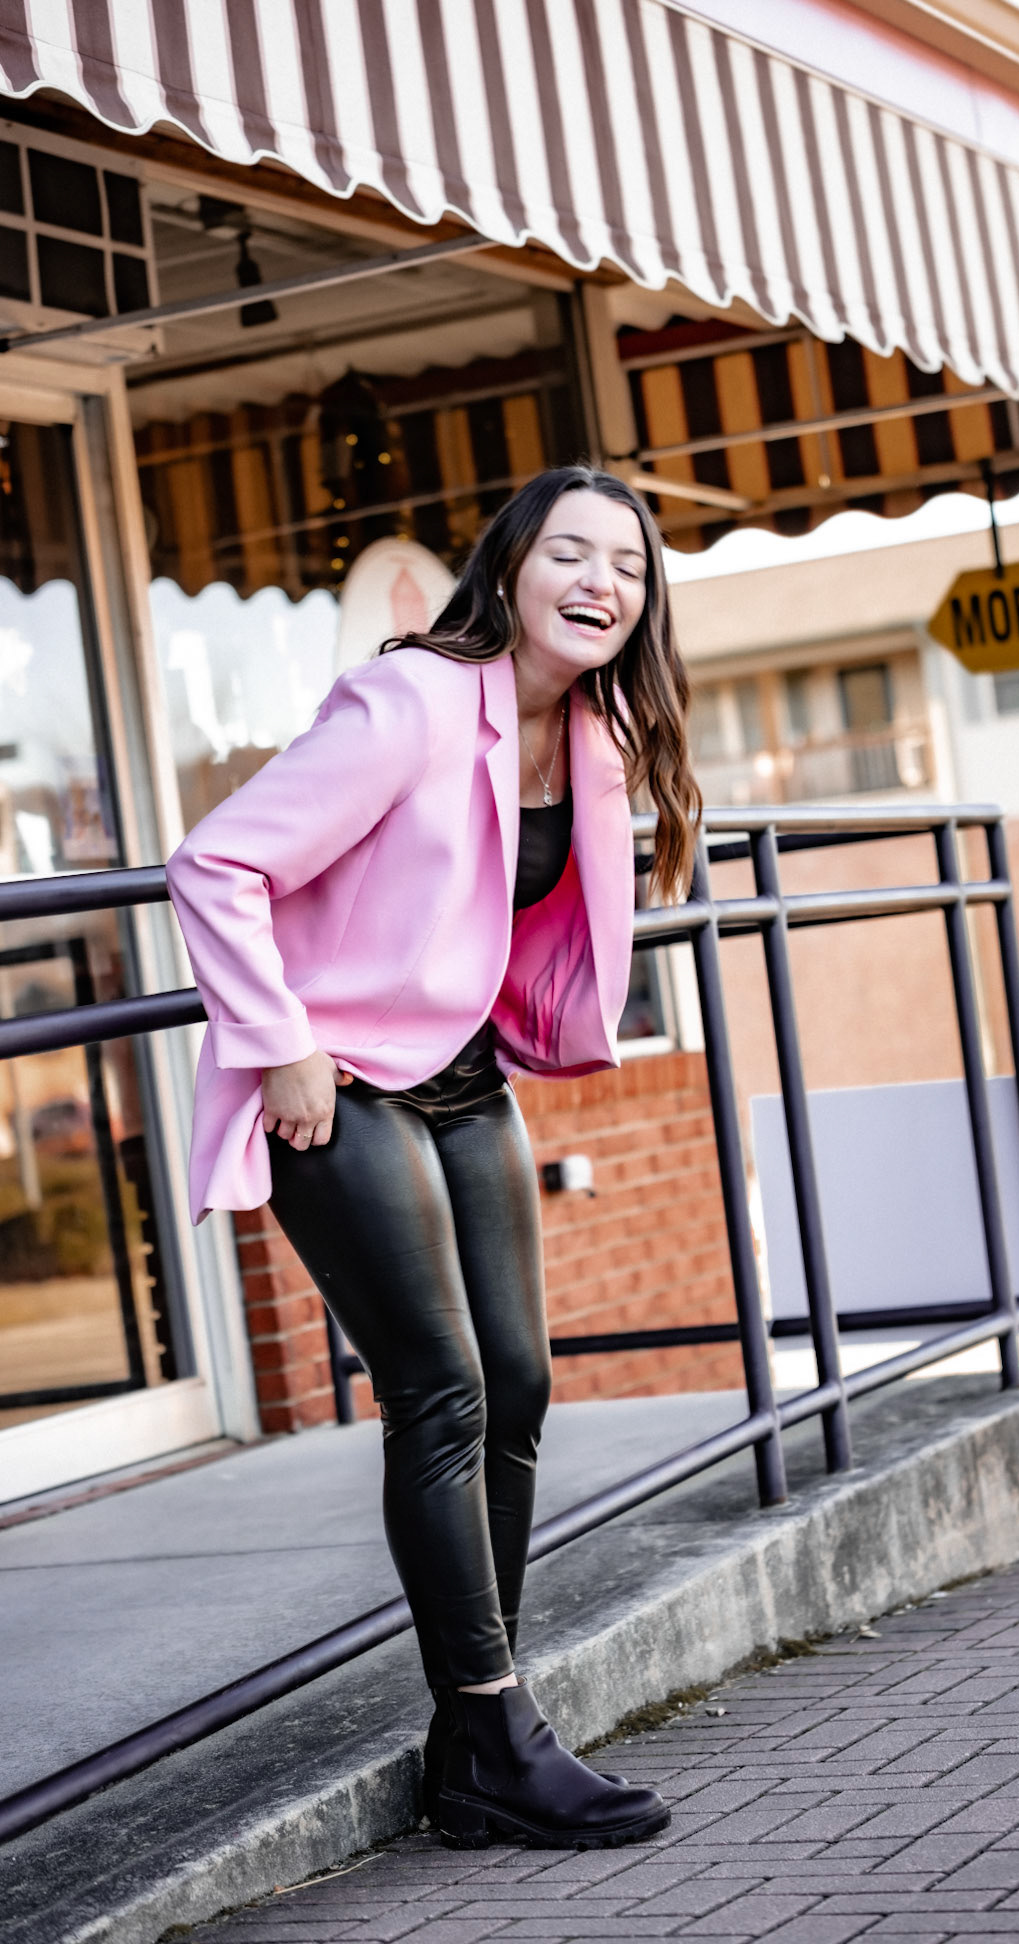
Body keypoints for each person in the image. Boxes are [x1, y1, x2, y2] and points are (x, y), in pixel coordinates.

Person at [166, 465, 701, 1851]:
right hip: (339, 1083)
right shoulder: (407, 701)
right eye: (570, 553)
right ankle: (497, 1726)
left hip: (463, 1079)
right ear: (510, 569)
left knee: (518, 1386)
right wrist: (280, 1040)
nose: (599, 582)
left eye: (627, 566)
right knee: (443, 1393)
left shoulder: (591, 733)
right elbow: (215, 863)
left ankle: (472, 1742)